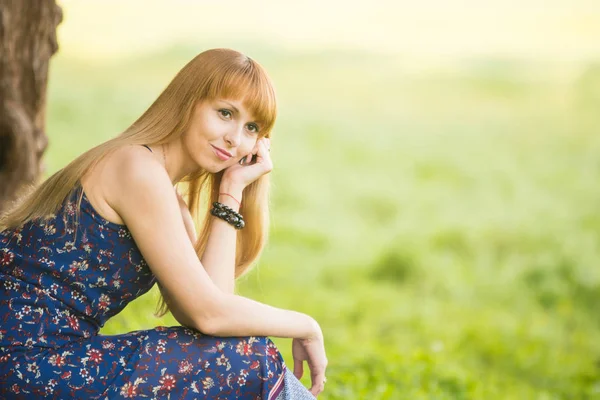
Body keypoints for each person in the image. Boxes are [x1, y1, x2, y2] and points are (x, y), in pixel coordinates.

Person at [0, 48, 327, 399]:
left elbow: (214, 314)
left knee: (240, 354)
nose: (235, 138)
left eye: (251, 128)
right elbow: (211, 316)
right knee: (251, 359)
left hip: (46, 360)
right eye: (225, 113)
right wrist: (306, 326)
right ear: (188, 101)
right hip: (22, 361)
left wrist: (231, 190)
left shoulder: (169, 202)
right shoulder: (136, 168)